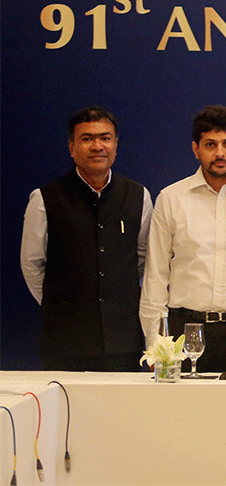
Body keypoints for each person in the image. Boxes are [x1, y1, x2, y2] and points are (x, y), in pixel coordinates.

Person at [139, 106, 226, 373]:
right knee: (183, 415)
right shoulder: (171, 199)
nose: (219, 153)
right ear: (196, 149)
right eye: (210, 145)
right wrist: (155, 344)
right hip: (183, 332)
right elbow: (155, 276)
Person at [19, 107, 153, 371]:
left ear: (115, 145)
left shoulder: (139, 196)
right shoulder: (44, 199)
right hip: (64, 340)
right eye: (87, 138)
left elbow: (144, 261)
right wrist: (61, 304)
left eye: (105, 138)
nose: (97, 146)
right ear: (72, 147)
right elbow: (32, 263)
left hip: (122, 341)